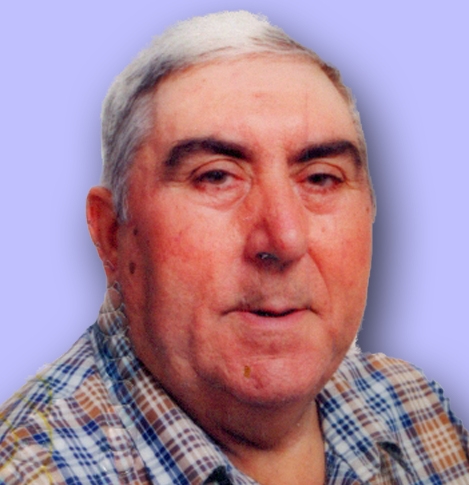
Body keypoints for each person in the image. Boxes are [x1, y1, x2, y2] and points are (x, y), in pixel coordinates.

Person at [0, 10, 467, 484]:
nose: (284, 239)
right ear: (111, 236)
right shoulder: (34, 471)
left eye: (321, 178)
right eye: (217, 177)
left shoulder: (415, 405)